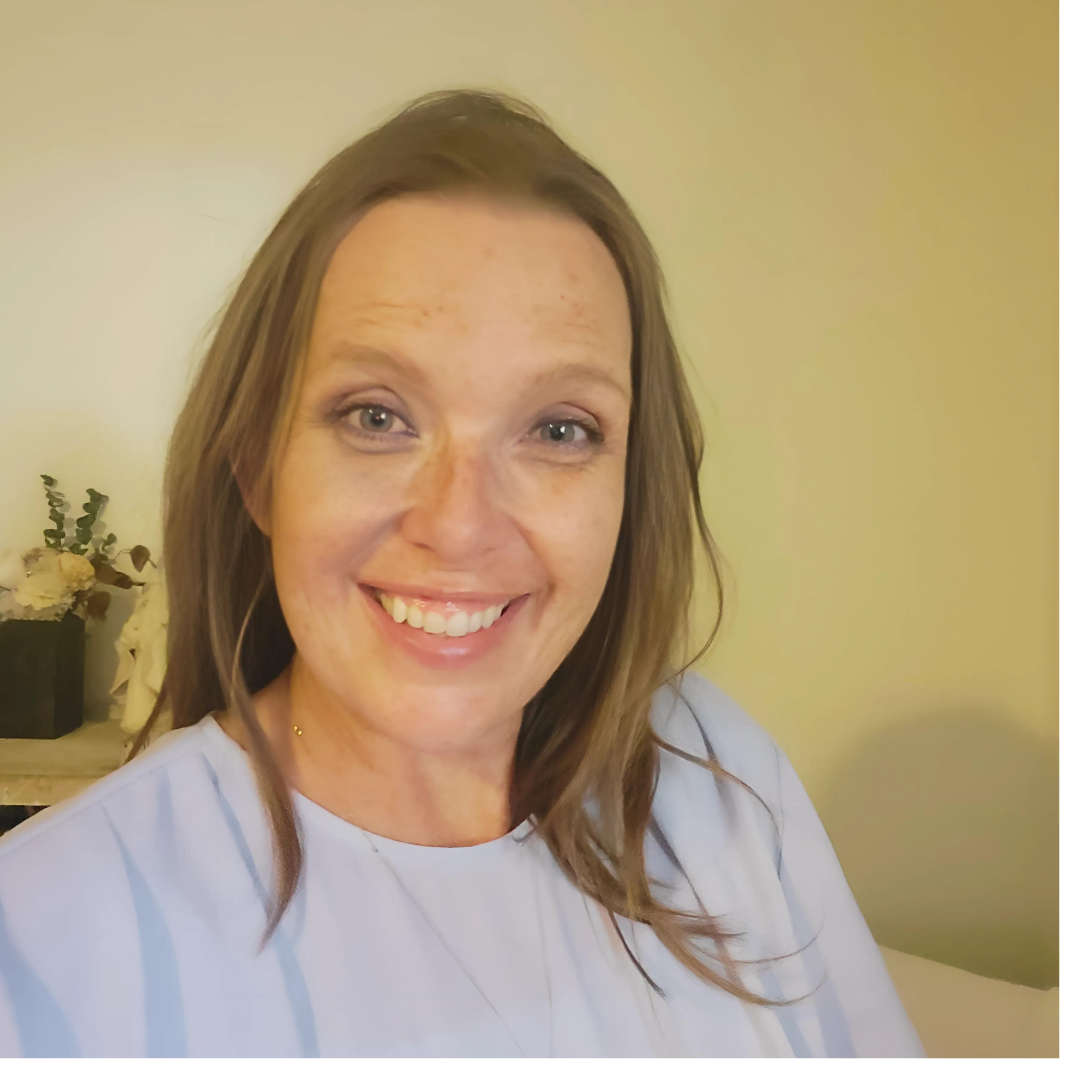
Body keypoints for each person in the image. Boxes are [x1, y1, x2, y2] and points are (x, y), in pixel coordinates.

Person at [0, 88, 923, 1058]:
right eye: (376, 416)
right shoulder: (45, 936)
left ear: (626, 495)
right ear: (257, 471)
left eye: (560, 429)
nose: (460, 524)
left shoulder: (719, 773)